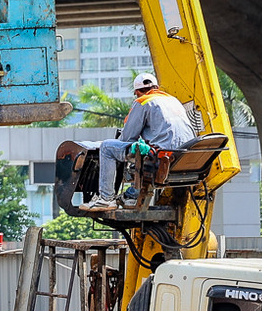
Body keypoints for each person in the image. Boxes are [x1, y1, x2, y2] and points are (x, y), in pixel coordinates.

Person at [79, 73, 195, 212]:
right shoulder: (173, 100)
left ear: (138, 92)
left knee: (107, 147)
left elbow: (127, 138)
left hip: (163, 157)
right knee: (142, 151)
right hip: (186, 157)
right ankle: (132, 195)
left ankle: (106, 199)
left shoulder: (143, 101)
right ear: (156, 87)